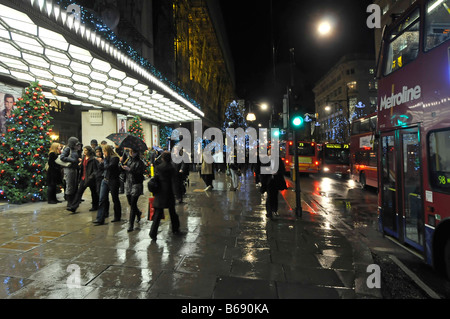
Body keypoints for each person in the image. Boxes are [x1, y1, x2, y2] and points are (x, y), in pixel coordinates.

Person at [149, 151, 180, 240]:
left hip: (160, 192)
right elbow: (175, 182)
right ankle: (175, 228)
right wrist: (177, 194)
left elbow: (155, 179)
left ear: (162, 158)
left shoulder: (159, 167)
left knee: (158, 214)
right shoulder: (172, 168)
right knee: (172, 212)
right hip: (169, 192)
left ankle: (153, 233)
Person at [94, 144, 122, 225]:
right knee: (102, 199)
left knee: (115, 198)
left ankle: (117, 216)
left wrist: (104, 162)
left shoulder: (115, 158)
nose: (103, 153)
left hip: (113, 180)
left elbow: (109, 167)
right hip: (105, 179)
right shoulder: (106, 159)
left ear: (108, 151)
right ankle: (100, 218)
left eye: (104, 151)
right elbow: (101, 168)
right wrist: (102, 162)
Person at [67, 146, 99, 213]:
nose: (84, 151)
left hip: (90, 178)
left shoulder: (93, 159)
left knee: (93, 193)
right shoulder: (84, 158)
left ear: (89, 151)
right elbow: (83, 167)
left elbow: (95, 170)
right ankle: (73, 207)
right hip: (83, 178)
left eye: (86, 150)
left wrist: (91, 177)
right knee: (79, 192)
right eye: (84, 150)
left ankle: (95, 206)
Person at [122, 148, 146, 232]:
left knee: (133, 204)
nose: (130, 153)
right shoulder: (128, 161)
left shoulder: (140, 163)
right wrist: (122, 167)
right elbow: (124, 172)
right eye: (130, 151)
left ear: (136, 153)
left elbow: (140, 173)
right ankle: (138, 213)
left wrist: (130, 169)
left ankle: (131, 224)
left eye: (133, 152)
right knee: (130, 202)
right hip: (128, 183)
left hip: (136, 184)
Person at [60, 136, 81, 208]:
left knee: (73, 185)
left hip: (74, 169)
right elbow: (62, 157)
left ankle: (72, 201)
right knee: (70, 186)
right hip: (69, 169)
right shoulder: (68, 149)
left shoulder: (73, 149)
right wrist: (72, 160)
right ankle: (69, 202)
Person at [264, 154, 287, 219]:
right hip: (269, 181)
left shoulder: (279, 160)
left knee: (275, 196)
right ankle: (269, 212)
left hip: (276, 181)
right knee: (269, 196)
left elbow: (283, 170)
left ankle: (274, 210)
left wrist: (277, 172)